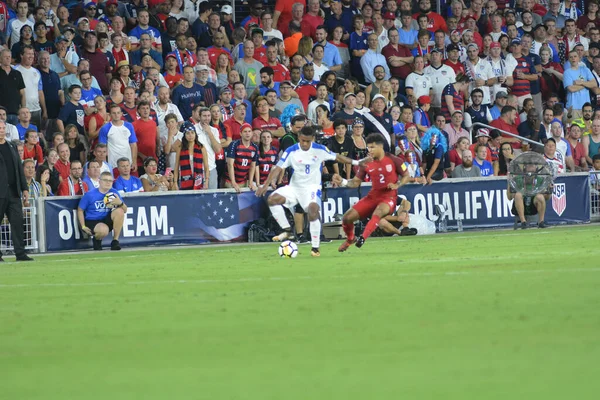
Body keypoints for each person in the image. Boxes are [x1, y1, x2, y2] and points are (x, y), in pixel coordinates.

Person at [256, 125, 361, 257]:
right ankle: (287, 230)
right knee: (272, 199)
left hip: (311, 188)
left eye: (307, 141)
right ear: (299, 137)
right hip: (294, 188)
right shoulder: (291, 151)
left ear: (312, 139)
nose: (304, 143)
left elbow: (338, 157)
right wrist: (265, 185)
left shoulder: (320, 149)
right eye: (302, 140)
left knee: (312, 211)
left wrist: (358, 163)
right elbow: (277, 167)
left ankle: (315, 247)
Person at [335, 133, 410, 251]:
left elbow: (406, 176)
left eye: (372, 147)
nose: (369, 150)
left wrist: (397, 184)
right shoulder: (366, 163)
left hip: (388, 198)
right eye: (368, 147)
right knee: (347, 218)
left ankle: (363, 238)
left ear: (380, 147)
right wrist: (343, 181)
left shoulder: (394, 160)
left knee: (378, 213)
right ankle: (350, 239)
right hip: (372, 197)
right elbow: (355, 182)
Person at [0, 120, 32, 262]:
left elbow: (19, 168)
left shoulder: (11, 145)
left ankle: (20, 253)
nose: (1, 130)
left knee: (18, 223)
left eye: (2, 128)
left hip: (13, 192)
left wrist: (24, 188)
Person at [78, 171, 127, 251]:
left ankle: (115, 240)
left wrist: (120, 203)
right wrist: (83, 226)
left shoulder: (114, 192)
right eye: (105, 180)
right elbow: (80, 210)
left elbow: (125, 210)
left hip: (106, 218)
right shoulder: (90, 194)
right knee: (103, 230)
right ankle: (97, 239)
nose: (108, 183)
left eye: (110, 181)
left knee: (119, 211)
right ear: (99, 181)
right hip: (93, 220)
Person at [98, 104, 138, 171]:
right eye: (114, 113)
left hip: (128, 163)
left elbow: (133, 145)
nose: (116, 115)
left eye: (118, 113)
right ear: (110, 115)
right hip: (113, 164)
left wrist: (134, 162)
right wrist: (105, 164)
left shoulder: (129, 126)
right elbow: (102, 148)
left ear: (121, 114)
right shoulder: (105, 128)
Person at [174, 122, 209, 190]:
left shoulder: (201, 148)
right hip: (185, 179)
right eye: (188, 133)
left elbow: (206, 167)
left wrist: (206, 181)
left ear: (195, 134)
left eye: (192, 133)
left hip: (199, 180)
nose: (190, 135)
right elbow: (176, 167)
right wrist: (175, 182)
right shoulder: (180, 148)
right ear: (184, 135)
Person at [225, 123, 258, 192]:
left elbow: (252, 166)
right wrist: (233, 182)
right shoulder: (234, 144)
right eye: (245, 131)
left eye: (249, 131)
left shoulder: (254, 147)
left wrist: (251, 182)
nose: (247, 133)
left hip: (244, 181)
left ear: (252, 133)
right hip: (230, 181)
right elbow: (230, 164)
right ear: (240, 134)